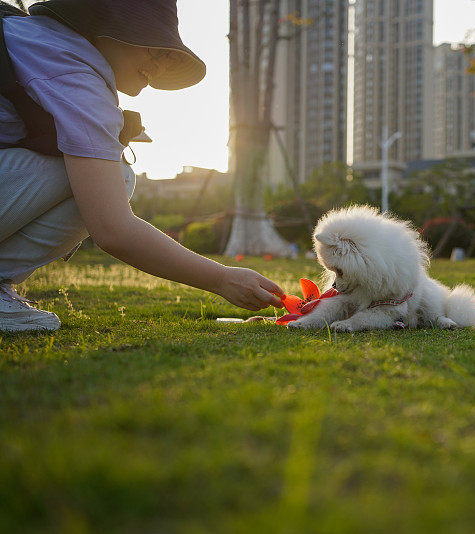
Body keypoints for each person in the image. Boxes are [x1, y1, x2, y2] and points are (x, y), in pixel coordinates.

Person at [0, 0, 284, 333]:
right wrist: (223, 279)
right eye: (154, 45)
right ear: (108, 26)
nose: (163, 63)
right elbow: (113, 228)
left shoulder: (33, 37)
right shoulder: (75, 72)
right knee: (113, 178)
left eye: (167, 52)